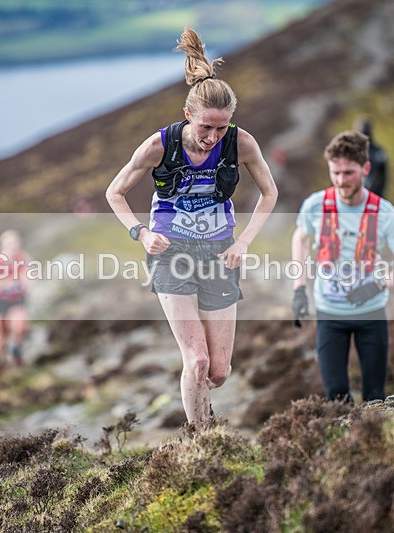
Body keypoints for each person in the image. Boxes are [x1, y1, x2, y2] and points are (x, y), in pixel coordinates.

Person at [105, 26, 278, 429]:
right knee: (196, 360)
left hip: (220, 253)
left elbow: (269, 194)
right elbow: (115, 193)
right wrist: (142, 233)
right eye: (205, 128)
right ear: (188, 115)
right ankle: (201, 441)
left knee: (219, 371)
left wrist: (245, 243)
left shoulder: (242, 143)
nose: (212, 138)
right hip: (171, 255)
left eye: (221, 128)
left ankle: (203, 411)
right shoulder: (158, 146)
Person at [291, 130, 394, 403]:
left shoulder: (385, 213)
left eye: (348, 173)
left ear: (365, 169)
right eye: (335, 173)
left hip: (372, 314)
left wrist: (378, 285)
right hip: (329, 315)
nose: (341, 181)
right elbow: (299, 238)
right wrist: (299, 288)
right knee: (336, 398)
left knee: (375, 398)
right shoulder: (314, 205)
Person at [0, 230, 30, 365]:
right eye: (9, 244)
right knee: (3, 334)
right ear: (2, 246)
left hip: (17, 300)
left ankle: (17, 355)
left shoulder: (22, 258)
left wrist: (23, 283)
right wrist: (3, 287)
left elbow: (30, 276)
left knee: (20, 328)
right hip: (0, 302)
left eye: (15, 244)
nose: (12, 247)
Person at [358, 118, 388, 197]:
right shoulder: (350, 150)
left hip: (373, 193)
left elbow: (383, 176)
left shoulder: (378, 152)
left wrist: (378, 193)